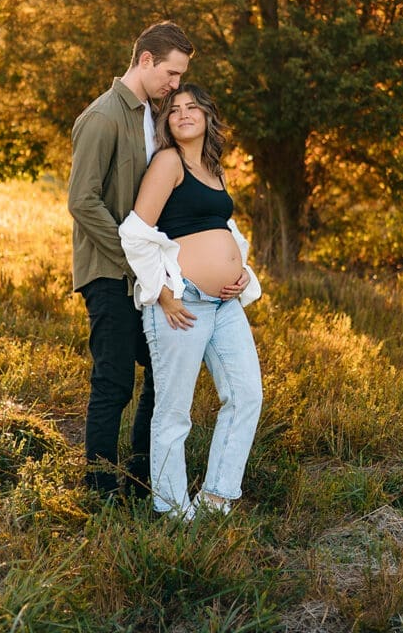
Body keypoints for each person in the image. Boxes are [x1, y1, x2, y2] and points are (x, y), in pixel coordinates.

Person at [118, 84, 262, 519]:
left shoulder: (214, 169)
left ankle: (216, 499)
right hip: (183, 304)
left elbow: (224, 231)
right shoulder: (168, 162)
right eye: (175, 109)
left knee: (246, 395)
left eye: (192, 107)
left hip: (224, 305)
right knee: (174, 411)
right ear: (167, 121)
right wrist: (161, 292)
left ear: (206, 117)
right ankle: (171, 509)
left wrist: (242, 272)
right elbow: (134, 233)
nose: (183, 113)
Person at [68, 21, 194, 500]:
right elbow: (82, 201)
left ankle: (140, 484)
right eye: (172, 72)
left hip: (144, 276)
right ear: (145, 60)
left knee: (162, 375)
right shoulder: (102, 117)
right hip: (109, 272)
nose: (176, 84)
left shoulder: (149, 114)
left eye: (181, 76)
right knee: (113, 382)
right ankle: (99, 492)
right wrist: (135, 260)